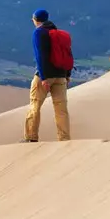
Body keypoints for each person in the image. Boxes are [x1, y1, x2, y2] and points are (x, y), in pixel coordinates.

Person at [26, 8, 73, 143]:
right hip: (61, 75)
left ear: (36, 20)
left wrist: (43, 77)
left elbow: (40, 56)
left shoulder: (39, 33)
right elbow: (68, 54)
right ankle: (64, 139)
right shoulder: (58, 33)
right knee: (61, 109)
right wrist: (67, 74)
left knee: (35, 105)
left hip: (45, 76)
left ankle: (31, 137)